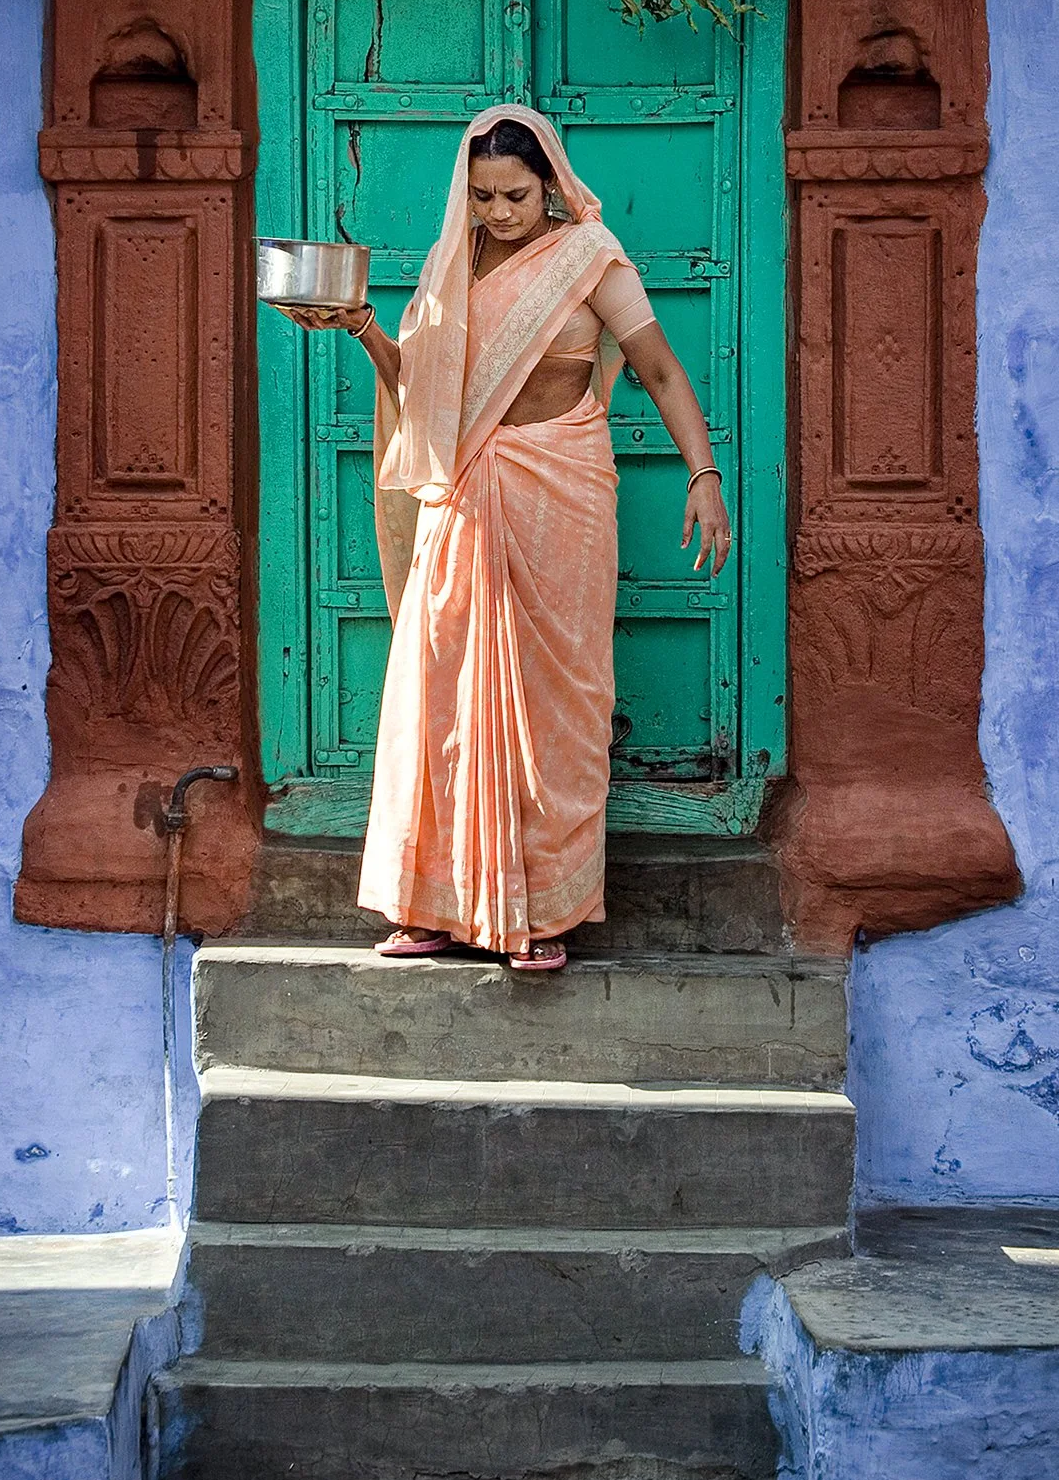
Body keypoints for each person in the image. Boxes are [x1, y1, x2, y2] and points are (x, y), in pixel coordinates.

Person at [276, 106, 731, 974]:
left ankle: (544, 914)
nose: (498, 212)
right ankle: (439, 906)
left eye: (516, 195)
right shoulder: (460, 260)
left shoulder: (590, 256)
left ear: (550, 184)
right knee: (442, 693)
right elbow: (420, 391)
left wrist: (703, 476)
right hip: (466, 495)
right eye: (483, 196)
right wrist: (362, 326)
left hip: (561, 489)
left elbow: (661, 368)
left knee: (552, 707)